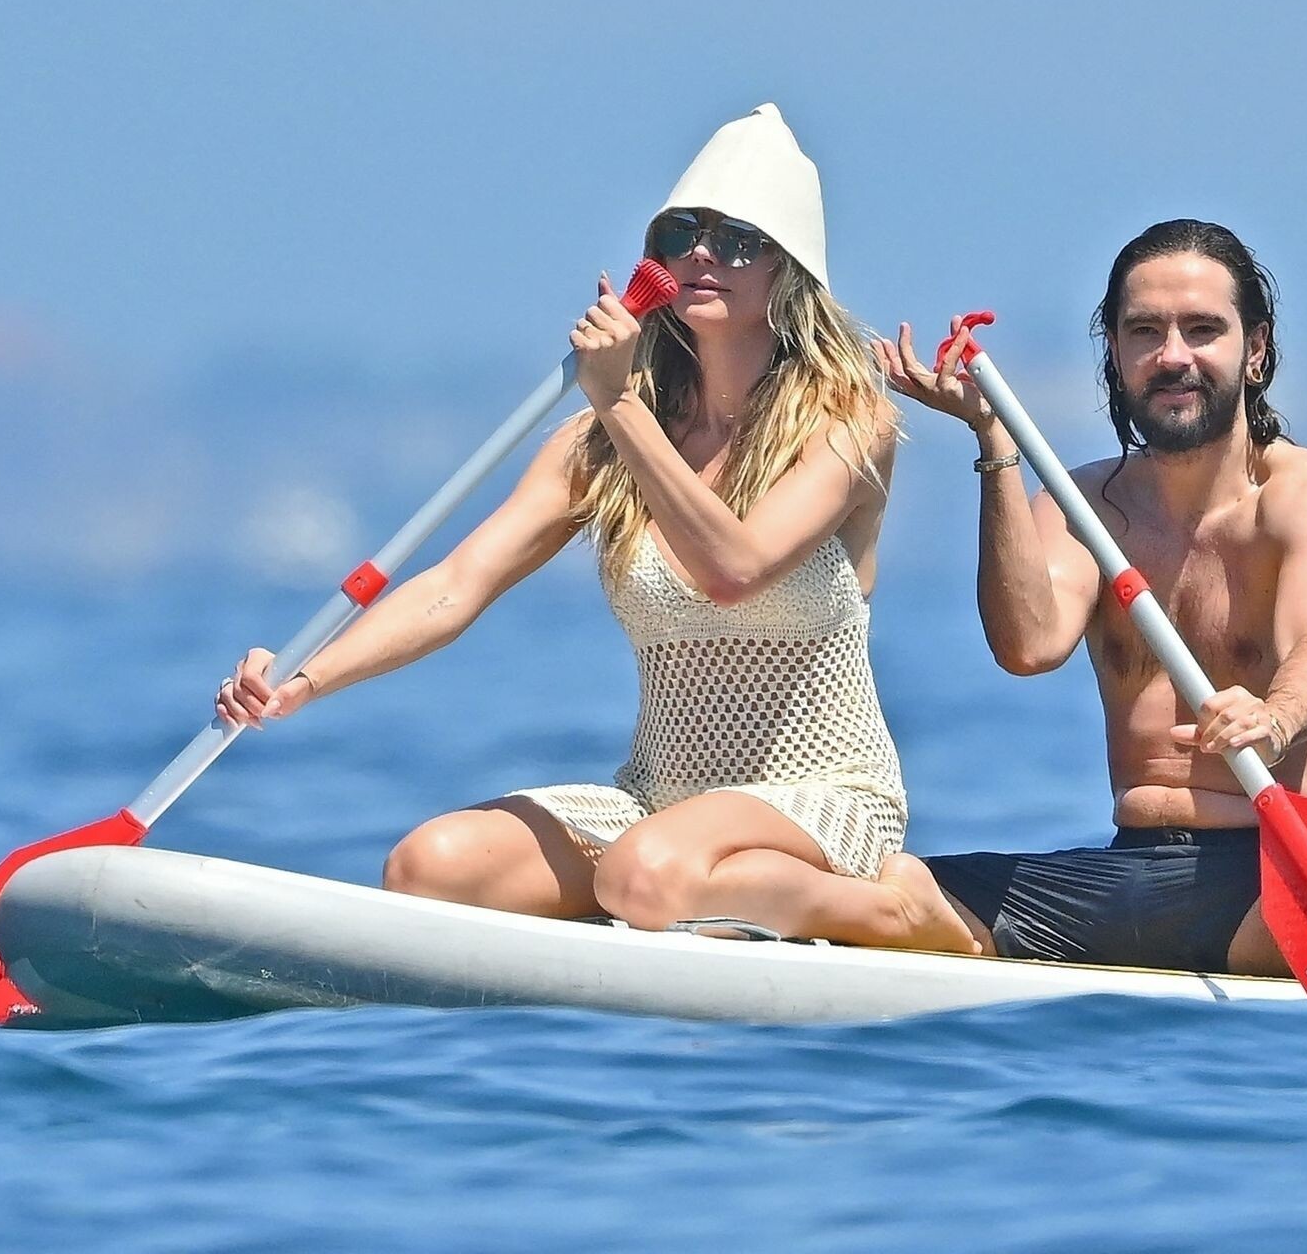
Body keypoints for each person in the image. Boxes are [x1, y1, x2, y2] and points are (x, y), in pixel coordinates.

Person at [217, 104, 975, 953]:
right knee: (428, 867)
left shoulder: (846, 420)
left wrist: (618, 402)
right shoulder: (598, 443)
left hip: (822, 793)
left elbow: (734, 568)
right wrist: (302, 681)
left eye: (736, 242)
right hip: (660, 797)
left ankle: (899, 908)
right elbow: (458, 585)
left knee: (642, 877)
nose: (702, 255)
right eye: (682, 234)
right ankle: (688, 902)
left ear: (786, 271)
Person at [876, 219, 1307, 977]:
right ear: (1114, 351)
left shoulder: (1305, 496)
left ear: (1256, 349)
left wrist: (1275, 717)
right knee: (892, 887)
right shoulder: (1083, 506)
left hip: (1283, 876)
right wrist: (994, 443)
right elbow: (1028, 647)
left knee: (1285, 923)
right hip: (1124, 873)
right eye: (1145, 332)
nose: (1173, 355)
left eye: (1202, 329)